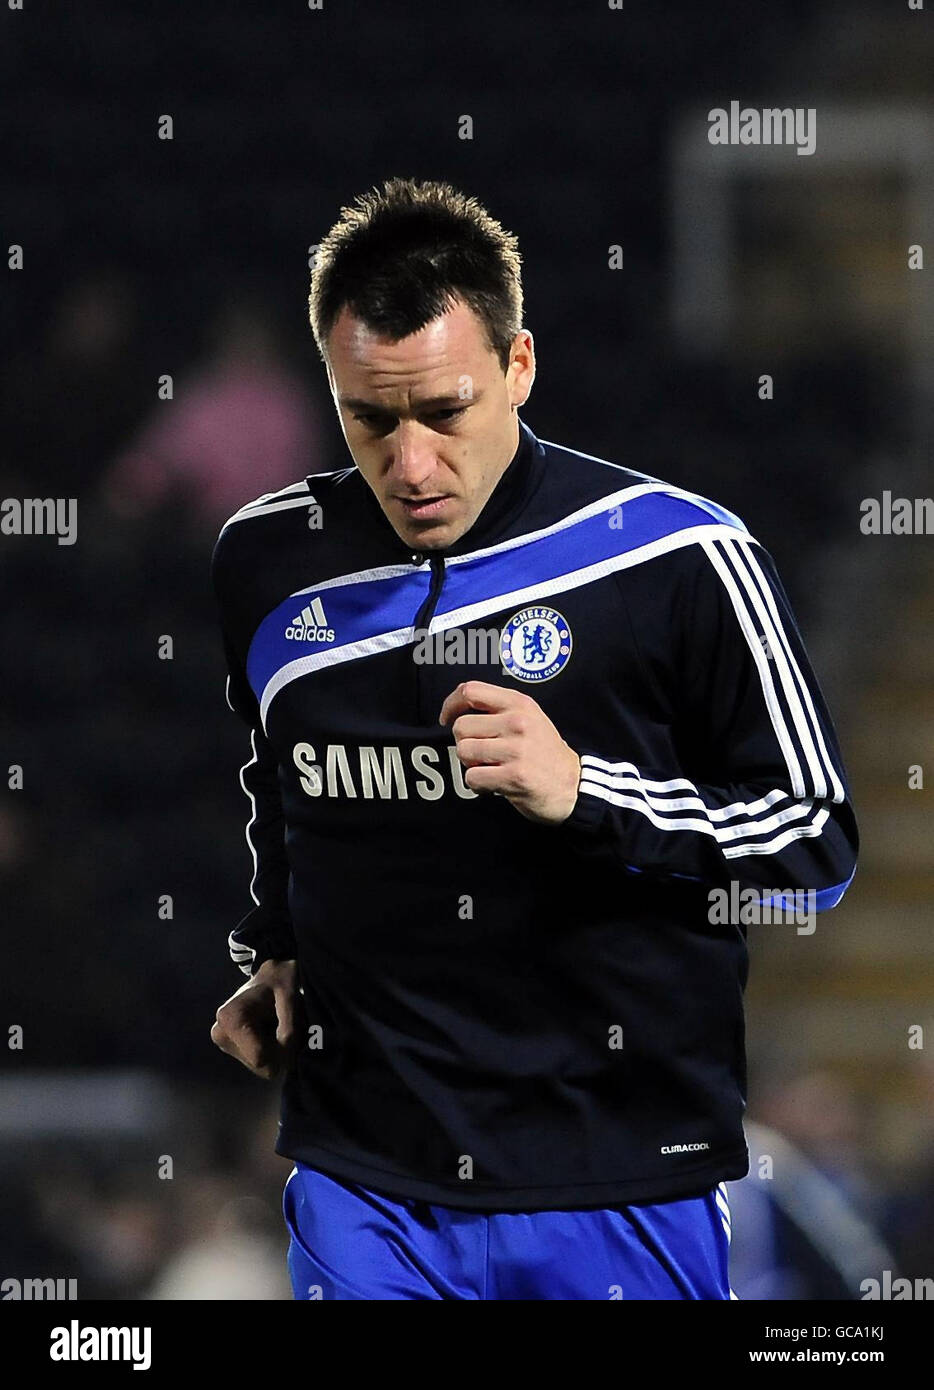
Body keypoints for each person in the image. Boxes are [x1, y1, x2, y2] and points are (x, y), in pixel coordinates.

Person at [209, 177, 859, 1300]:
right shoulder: (267, 561)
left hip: (615, 1172)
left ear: (518, 367)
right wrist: (275, 944)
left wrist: (587, 792)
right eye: (371, 417)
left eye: (446, 412)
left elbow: (814, 849)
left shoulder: (679, 557)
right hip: (366, 1174)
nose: (411, 465)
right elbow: (282, 780)